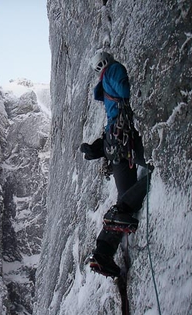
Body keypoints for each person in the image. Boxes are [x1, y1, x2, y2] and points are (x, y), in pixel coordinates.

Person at [80, 52, 152, 277]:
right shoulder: (113, 71)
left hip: (114, 145)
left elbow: (113, 122)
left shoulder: (104, 89)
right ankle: (105, 248)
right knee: (155, 168)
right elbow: (125, 90)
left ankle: (103, 252)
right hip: (126, 141)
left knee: (124, 203)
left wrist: (99, 147)